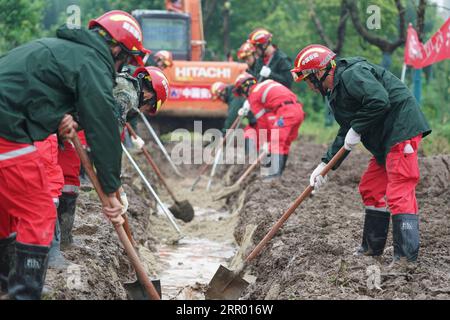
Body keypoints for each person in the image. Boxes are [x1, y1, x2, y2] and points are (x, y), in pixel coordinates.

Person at [0, 10, 150, 300]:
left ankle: (6, 283)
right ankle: (23, 293)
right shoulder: (91, 62)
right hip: (8, 132)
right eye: (127, 59)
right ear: (116, 48)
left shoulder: (57, 49)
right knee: (38, 212)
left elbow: (33, 92)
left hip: (9, 125)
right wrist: (111, 189)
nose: (123, 67)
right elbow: (103, 126)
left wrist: (60, 116)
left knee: (5, 213)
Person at [291, 44, 431, 265]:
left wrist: (357, 128)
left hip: (401, 130)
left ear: (319, 72)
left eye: (308, 80)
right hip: (385, 139)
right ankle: (371, 249)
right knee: (371, 188)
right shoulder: (337, 91)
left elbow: (379, 100)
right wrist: (324, 164)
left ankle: (406, 258)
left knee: (399, 189)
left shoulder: (352, 74)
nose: (309, 87)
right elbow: (346, 129)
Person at [233, 73, 305, 178]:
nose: (243, 96)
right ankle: (278, 175)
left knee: (276, 143)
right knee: (284, 144)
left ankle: (273, 176)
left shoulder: (253, 96)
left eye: (241, 92)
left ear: (244, 89)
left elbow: (262, 122)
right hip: (298, 110)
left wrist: (265, 141)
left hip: (285, 112)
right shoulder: (266, 84)